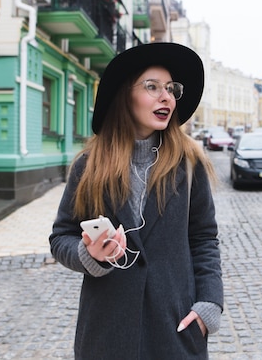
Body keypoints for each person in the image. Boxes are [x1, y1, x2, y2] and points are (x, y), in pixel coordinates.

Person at [49, 42, 223, 359]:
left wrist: (209, 305)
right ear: (124, 95)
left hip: (176, 330)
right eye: (152, 87)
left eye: (171, 89)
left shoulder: (189, 163)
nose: (166, 97)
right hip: (107, 332)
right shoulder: (88, 166)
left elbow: (204, 238)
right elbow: (62, 236)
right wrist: (89, 255)